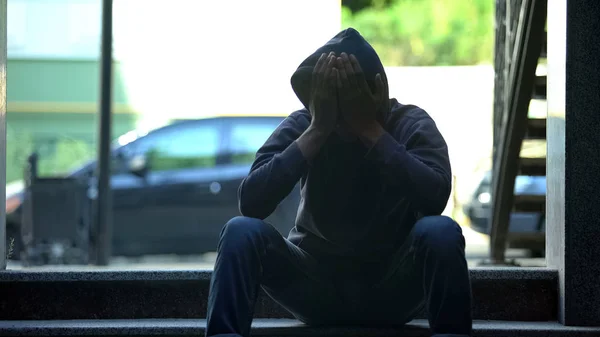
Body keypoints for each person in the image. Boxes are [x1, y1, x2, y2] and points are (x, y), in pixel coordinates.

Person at [206, 28, 472, 337]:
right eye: (332, 99)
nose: (342, 113)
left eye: (351, 96)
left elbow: (435, 197)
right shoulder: (306, 123)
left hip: (392, 285)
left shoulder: (410, 123)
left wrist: (370, 130)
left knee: (440, 230)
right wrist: (318, 130)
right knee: (241, 230)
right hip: (314, 285)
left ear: (378, 91)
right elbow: (251, 203)